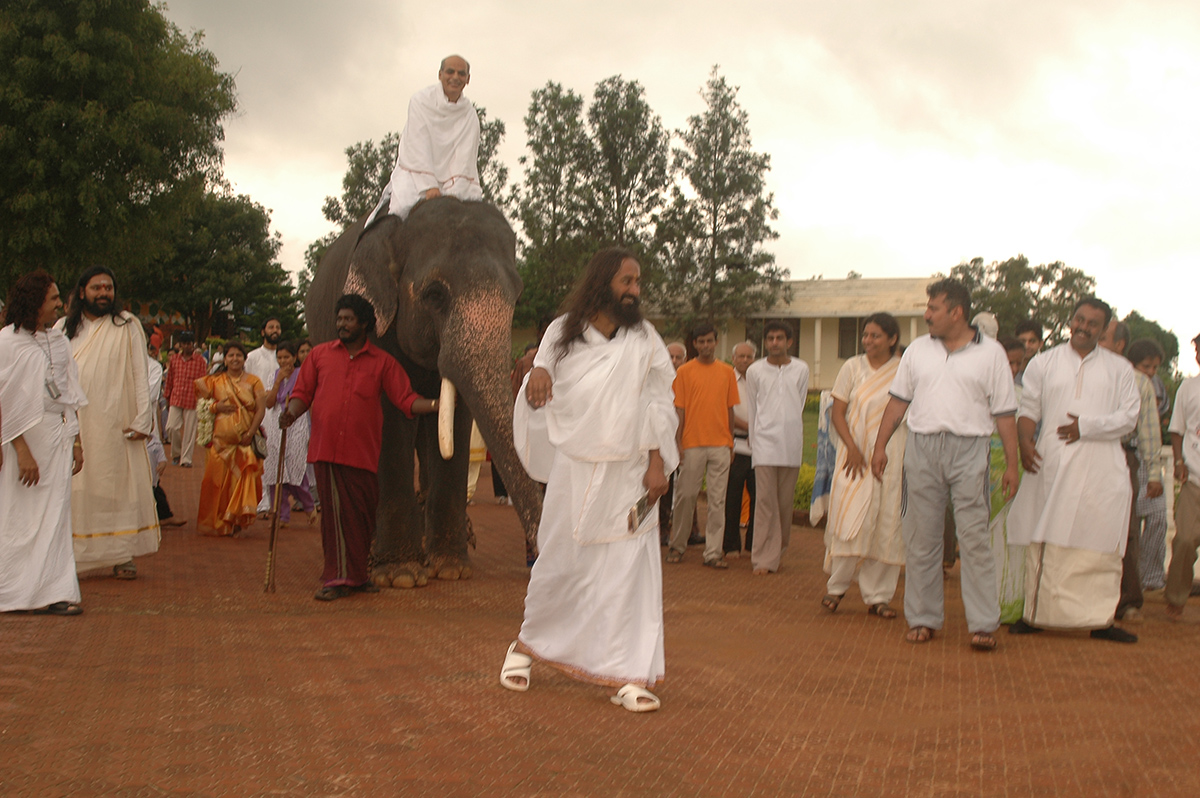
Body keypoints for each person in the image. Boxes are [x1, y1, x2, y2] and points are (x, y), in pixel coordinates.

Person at [503, 247, 677, 712]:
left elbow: (658, 403)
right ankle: (527, 646)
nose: (635, 290)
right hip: (575, 469)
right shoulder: (563, 331)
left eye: (637, 282)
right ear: (603, 282)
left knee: (628, 571)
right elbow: (540, 374)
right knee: (561, 560)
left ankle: (626, 672)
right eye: (627, 281)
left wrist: (657, 464)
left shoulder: (645, 339)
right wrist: (537, 378)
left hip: (631, 472)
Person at [871, 278, 1019, 651]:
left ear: (957, 312)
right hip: (922, 449)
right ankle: (923, 618)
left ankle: (983, 623)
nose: (926, 315)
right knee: (921, 539)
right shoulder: (918, 351)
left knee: (974, 540)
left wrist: (1012, 466)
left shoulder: (992, 354)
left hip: (970, 450)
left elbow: (1004, 414)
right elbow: (898, 403)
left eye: (933, 308)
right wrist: (880, 446)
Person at [280, 294, 437, 601]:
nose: (342, 324)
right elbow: (303, 392)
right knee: (337, 517)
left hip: (363, 452)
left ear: (364, 323)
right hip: (327, 451)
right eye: (339, 319)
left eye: (348, 319)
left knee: (362, 517)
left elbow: (405, 399)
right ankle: (337, 578)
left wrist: (436, 404)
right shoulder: (319, 356)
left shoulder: (383, 363)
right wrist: (291, 412)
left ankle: (358, 575)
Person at [1007, 297, 1140, 643]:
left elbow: (1129, 418)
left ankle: (1101, 620)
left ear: (1104, 328)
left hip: (1102, 469)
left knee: (1099, 539)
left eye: (1092, 323)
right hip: (1052, 464)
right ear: (1070, 320)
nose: (1083, 327)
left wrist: (1088, 427)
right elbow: (1029, 409)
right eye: (1079, 319)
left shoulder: (1120, 369)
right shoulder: (1044, 362)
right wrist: (1024, 442)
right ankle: (1035, 616)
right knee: (1047, 534)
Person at [56, 265, 159, 580]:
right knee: (78, 488)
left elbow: (140, 373)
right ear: (82, 291)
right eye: (96, 288)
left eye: (108, 288)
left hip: (116, 420)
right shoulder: (63, 327)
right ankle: (72, 554)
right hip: (73, 423)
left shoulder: (127, 324)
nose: (103, 293)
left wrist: (143, 419)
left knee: (116, 488)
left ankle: (122, 554)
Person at [0, 272, 87, 615]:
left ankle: (53, 591)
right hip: (23, 440)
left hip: (57, 437)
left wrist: (77, 441)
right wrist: (21, 450)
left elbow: (69, 393)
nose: (59, 304)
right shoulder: (7, 342)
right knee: (20, 517)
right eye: (52, 299)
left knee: (55, 517)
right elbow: (4, 401)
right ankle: (13, 589)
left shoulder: (60, 341)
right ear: (35, 303)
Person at [823, 313, 904, 617]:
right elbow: (838, 412)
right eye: (866, 335)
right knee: (850, 515)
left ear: (892, 339)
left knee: (886, 518)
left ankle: (878, 597)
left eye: (876, 336)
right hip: (854, 455)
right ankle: (837, 588)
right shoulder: (852, 367)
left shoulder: (903, 370)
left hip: (892, 454)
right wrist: (853, 449)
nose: (868, 341)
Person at [1098, 322, 1164, 623]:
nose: (1098, 340)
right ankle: (1087, 596)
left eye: (1104, 336)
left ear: (1120, 344)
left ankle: (1127, 601)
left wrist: (1153, 475)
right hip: (1085, 454)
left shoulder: (1138, 381)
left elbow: (1150, 432)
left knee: (1126, 530)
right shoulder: (1083, 370)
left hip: (1123, 455)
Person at [372, 55, 483, 224]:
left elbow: (465, 158)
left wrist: (453, 195)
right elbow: (417, 146)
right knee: (399, 215)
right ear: (440, 75)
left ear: (468, 79)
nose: (455, 77)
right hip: (416, 174)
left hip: (457, 182)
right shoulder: (420, 101)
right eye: (450, 72)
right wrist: (430, 186)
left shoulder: (470, 115)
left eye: (461, 74)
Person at [666, 323, 739, 568]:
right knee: (686, 497)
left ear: (716, 342)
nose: (705, 346)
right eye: (701, 342)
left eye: (709, 341)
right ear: (694, 345)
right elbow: (680, 410)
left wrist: (730, 442)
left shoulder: (727, 372)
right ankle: (677, 546)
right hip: (692, 444)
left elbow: (729, 409)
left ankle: (713, 553)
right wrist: (678, 443)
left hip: (720, 444)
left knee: (718, 501)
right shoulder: (684, 372)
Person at [744, 321, 810, 575]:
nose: (774, 343)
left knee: (784, 504)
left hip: (791, 443)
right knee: (764, 503)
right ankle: (762, 558)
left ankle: (778, 549)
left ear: (789, 342)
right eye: (770, 338)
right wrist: (754, 438)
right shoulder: (755, 371)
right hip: (764, 444)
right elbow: (752, 406)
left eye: (779, 338)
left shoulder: (801, 369)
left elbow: (800, 402)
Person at [194, 342, 266, 537]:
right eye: (231, 355)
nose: (235, 359)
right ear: (224, 359)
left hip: (244, 440)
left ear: (244, 359)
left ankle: (235, 520)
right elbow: (200, 402)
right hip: (220, 442)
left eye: (239, 356)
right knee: (215, 482)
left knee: (240, 481)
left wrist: (250, 433)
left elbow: (261, 409)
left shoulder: (254, 381)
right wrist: (216, 407)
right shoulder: (215, 381)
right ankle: (218, 521)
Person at [1126, 338, 1169, 592]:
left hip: (1150, 457)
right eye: (1146, 366)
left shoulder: (1156, 385)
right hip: (1130, 454)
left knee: (1158, 517)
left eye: (1155, 368)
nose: (1151, 372)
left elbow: (1159, 414)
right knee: (1130, 522)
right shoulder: (1124, 380)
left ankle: (1150, 575)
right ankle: (1129, 578)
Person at [262, 340, 316, 526]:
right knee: (276, 472)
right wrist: (278, 381)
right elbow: (269, 403)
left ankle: (308, 504)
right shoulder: (273, 376)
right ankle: (280, 514)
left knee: (295, 468)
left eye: (287, 357)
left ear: (294, 357)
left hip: (298, 425)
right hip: (277, 426)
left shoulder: (304, 374)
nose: (283, 361)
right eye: (280, 357)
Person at [1165, 334, 1200, 619]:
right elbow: (1176, 429)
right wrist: (1178, 460)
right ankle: (1176, 598)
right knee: (1185, 540)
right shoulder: (1188, 388)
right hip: (1194, 480)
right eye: (1198, 350)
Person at [144, 334, 185, 528]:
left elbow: (149, 394)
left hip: (145, 424)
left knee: (152, 476)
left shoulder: (153, 367)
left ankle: (163, 514)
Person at [723, 341, 757, 559]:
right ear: (733, 359)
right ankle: (730, 545)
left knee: (758, 497)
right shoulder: (727, 379)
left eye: (749, 357)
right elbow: (727, 413)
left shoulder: (759, 379)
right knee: (732, 498)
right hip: (735, 446)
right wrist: (751, 427)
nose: (745, 360)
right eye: (741, 356)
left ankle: (754, 544)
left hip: (758, 449)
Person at [246, 318, 281, 516]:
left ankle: (276, 503)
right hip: (259, 413)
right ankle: (262, 502)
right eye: (270, 327)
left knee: (277, 457)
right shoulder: (252, 357)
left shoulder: (284, 356)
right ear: (263, 332)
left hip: (280, 414)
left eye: (277, 327)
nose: (274, 330)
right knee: (261, 456)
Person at [163, 331, 206, 468]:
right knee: (171, 427)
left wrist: (202, 400)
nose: (188, 346)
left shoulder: (200, 361)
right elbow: (170, 379)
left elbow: (202, 381)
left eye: (190, 343)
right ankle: (176, 454)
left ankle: (186, 459)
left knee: (189, 431)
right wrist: (167, 396)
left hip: (192, 400)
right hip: (176, 397)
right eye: (185, 344)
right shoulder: (175, 359)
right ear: (180, 345)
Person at [1013, 319, 1044, 386]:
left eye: (1032, 341)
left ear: (1040, 344)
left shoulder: (1042, 374)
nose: (1026, 346)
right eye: (1022, 341)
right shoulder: (1006, 369)